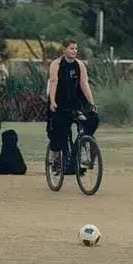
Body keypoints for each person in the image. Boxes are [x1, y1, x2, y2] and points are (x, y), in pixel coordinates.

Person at [46, 40, 96, 170]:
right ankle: (54, 155)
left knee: (93, 119)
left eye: (76, 49)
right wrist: (52, 101)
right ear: (64, 50)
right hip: (59, 103)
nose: (74, 51)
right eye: (71, 48)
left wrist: (91, 103)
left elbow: (84, 84)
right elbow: (53, 82)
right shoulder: (56, 64)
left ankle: (84, 147)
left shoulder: (80, 65)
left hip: (75, 102)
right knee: (58, 131)